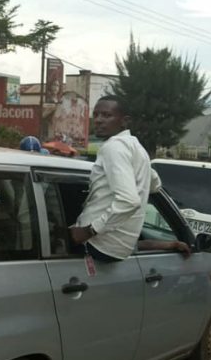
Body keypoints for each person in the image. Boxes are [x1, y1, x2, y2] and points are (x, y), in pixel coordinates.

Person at [69, 96, 161, 261]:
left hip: (97, 242)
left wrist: (89, 230)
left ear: (125, 121)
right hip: (120, 248)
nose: (98, 120)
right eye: (96, 115)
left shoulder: (114, 147)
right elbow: (155, 185)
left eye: (106, 115)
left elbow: (129, 201)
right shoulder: (137, 149)